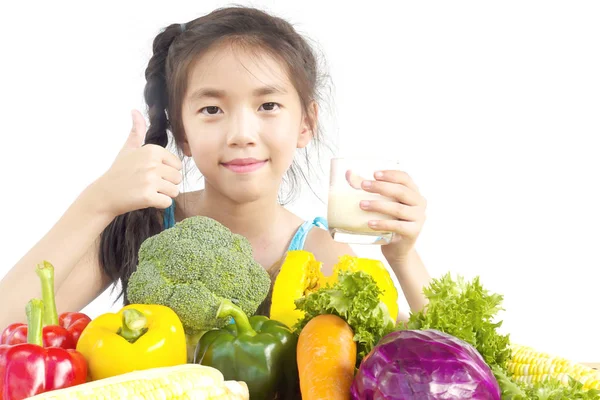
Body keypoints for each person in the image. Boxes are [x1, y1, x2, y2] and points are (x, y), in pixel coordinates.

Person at [0, 6, 431, 327]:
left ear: (306, 123)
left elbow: (422, 374)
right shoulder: (144, 225)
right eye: (211, 109)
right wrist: (97, 203)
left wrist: (404, 258)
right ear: (181, 133)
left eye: (268, 105)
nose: (241, 132)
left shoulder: (322, 254)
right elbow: (10, 328)